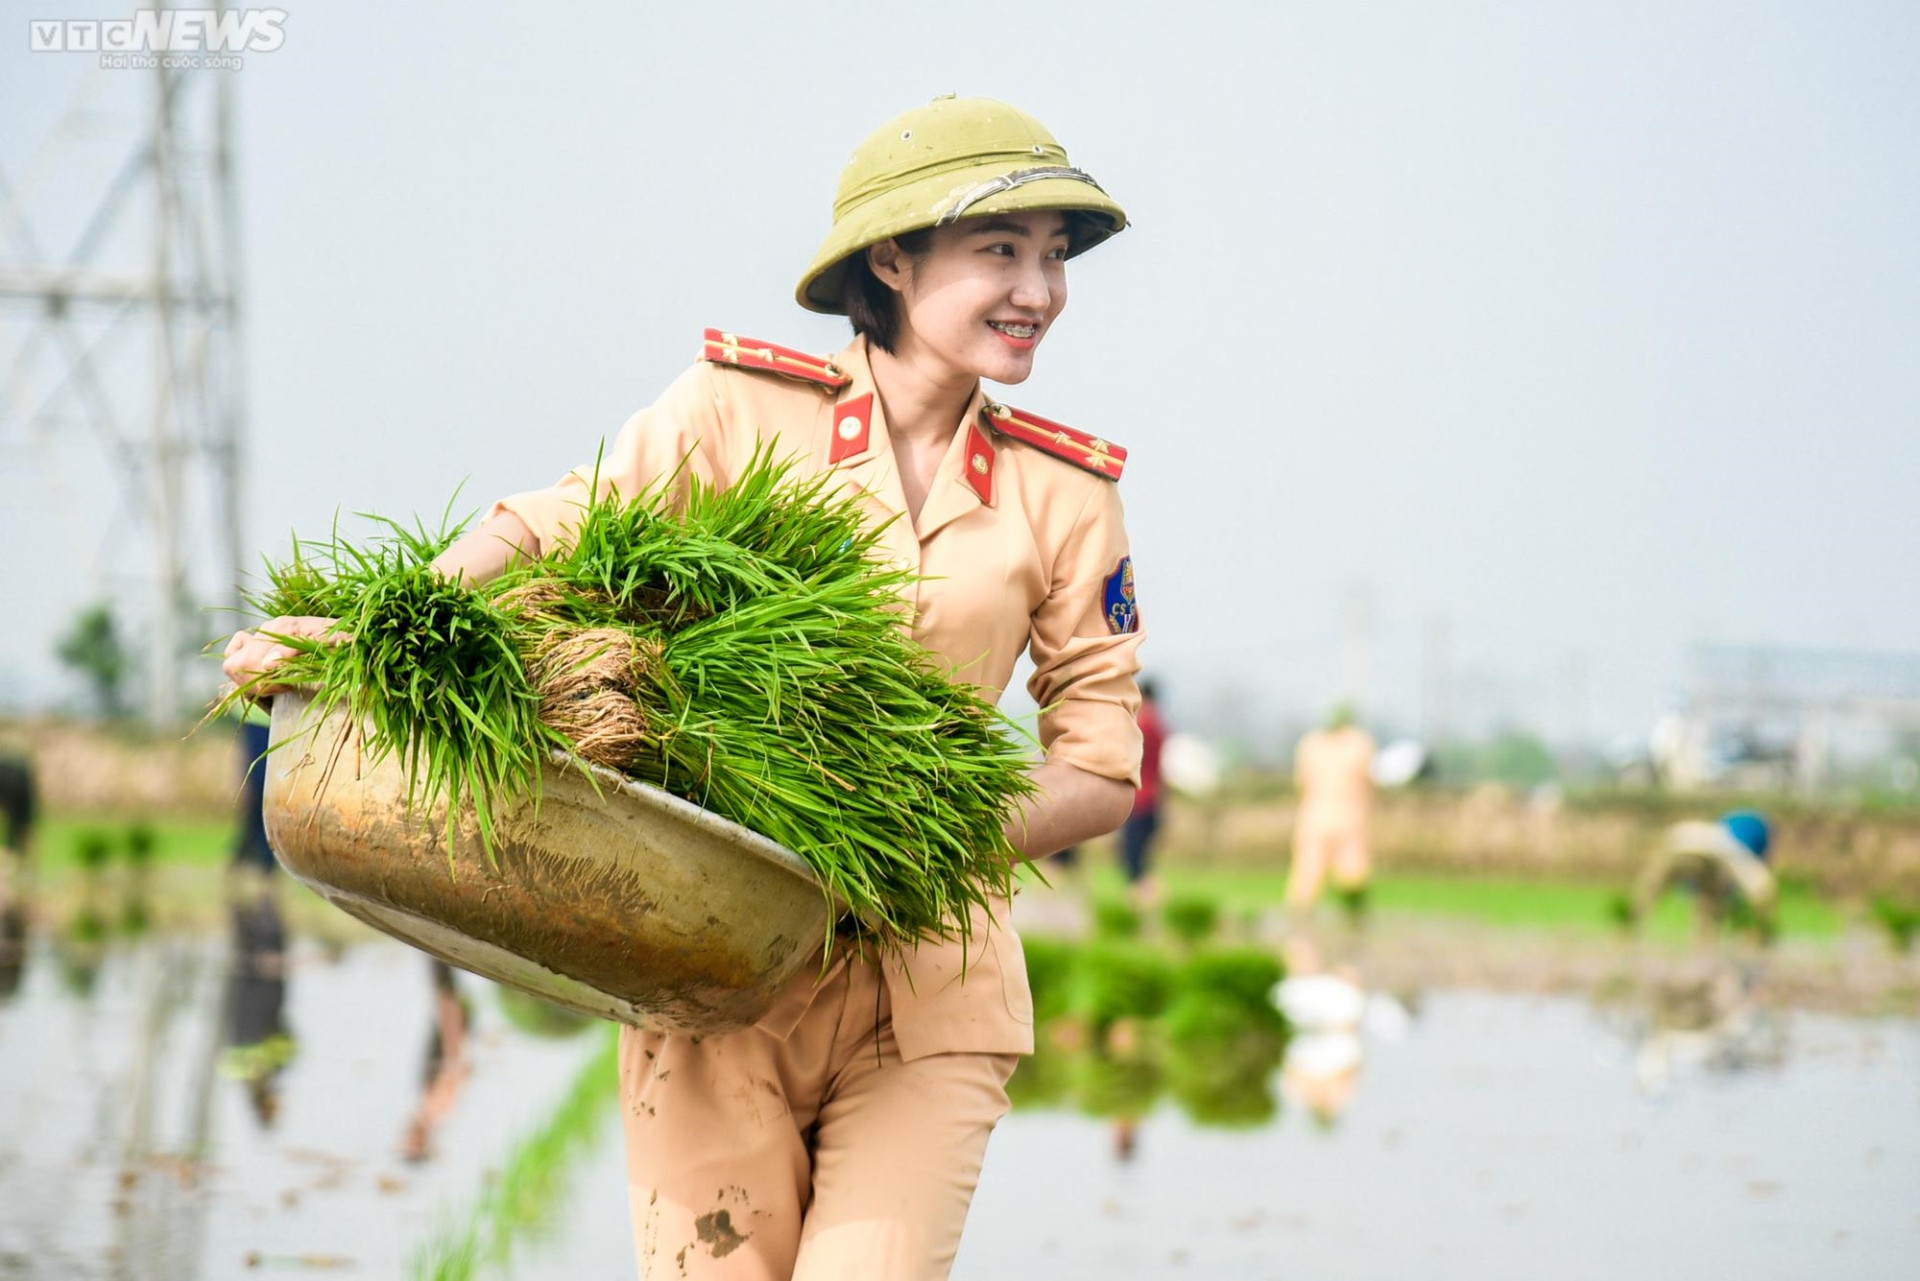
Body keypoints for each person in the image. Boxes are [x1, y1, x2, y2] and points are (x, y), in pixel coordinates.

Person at [223, 95, 1145, 1280]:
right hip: (708, 962)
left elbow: (1099, 767)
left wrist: (899, 840)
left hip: (932, 990)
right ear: (892, 260)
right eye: (1001, 251)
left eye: (1054, 257)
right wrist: (375, 632)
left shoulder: (1066, 494)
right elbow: (558, 524)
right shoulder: (738, 411)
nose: (1039, 290)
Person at [1286, 705, 1377, 920]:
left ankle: (1299, 920)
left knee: (1308, 871)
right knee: (1352, 873)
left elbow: (1300, 783)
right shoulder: (1360, 743)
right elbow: (1369, 781)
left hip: (1314, 814)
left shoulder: (1310, 743)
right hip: (1349, 814)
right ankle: (1352, 920)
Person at [1630, 810, 1777, 943]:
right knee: (1710, 899)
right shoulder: (1727, 843)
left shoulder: (1716, 835)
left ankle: (1629, 926)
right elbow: (1759, 885)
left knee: (1650, 890)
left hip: (1675, 841)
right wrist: (1764, 921)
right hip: (1692, 848)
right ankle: (1705, 938)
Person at [1119, 678, 1168, 902]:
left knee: (1133, 857)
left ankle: (1145, 903)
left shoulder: (1144, 723)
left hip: (1141, 799)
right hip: (1153, 796)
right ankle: (1147, 901)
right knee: (1140, 858)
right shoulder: (1159, 723)